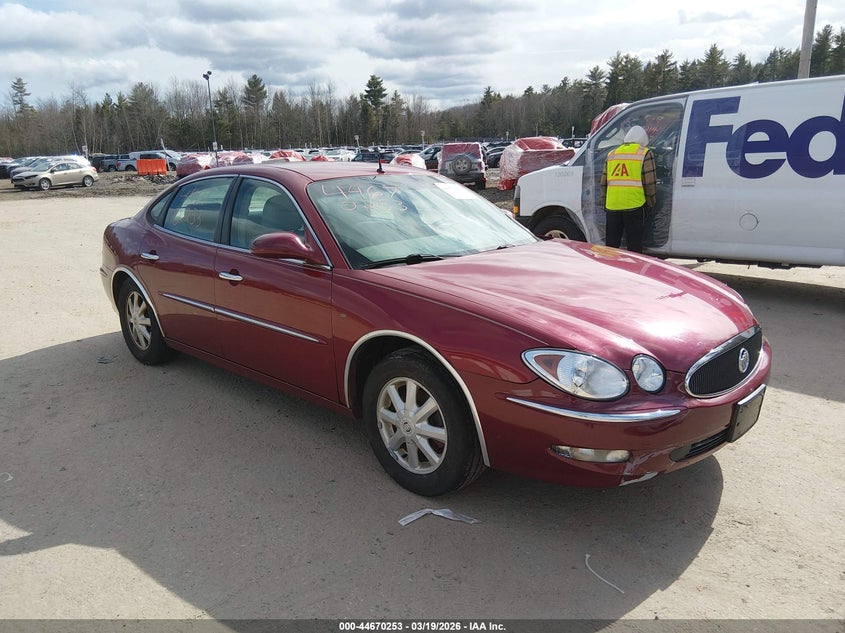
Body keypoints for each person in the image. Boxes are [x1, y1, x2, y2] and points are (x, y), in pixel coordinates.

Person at [600, 125, 656, 253]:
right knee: (634, 246)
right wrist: (651, 203)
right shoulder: (645, 153)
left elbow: (603, 183)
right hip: (635, 206)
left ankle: (609, 270)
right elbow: (649, 183)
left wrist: (605, 203)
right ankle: (632, 270)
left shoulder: (612, 154)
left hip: (612, 206)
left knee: (611, 246)